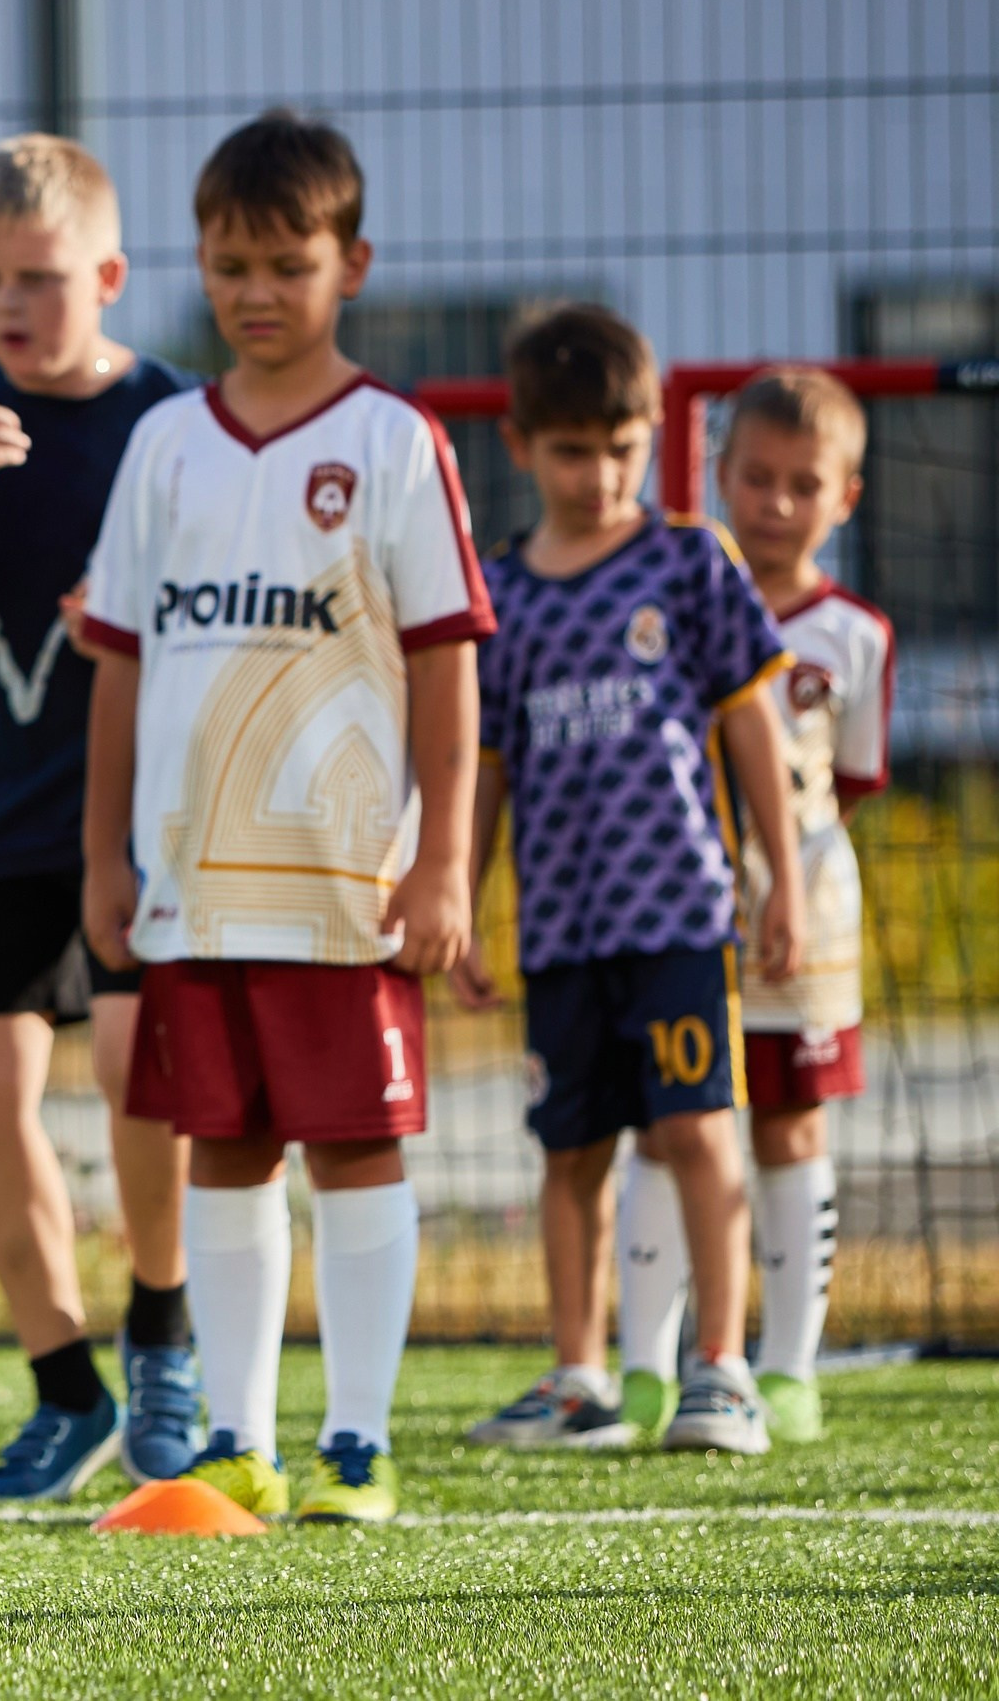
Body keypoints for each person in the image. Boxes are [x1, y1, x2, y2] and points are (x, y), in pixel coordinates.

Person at [79, 109, 492, 1524]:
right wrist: (102, 854)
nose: (255, 291)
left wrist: (443, 858)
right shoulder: (162, 447)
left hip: (345, 883)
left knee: (357, 1145)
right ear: (198, 263)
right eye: (229, 264)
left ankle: (357, 1443)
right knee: (227, 1145)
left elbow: (446, 662)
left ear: (350, 265)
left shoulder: (393, 441)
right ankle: (239, 1440)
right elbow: (118, 662)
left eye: (286, 264)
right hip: (191, 881)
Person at [0, 134, 196, 1501]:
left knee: (139, 1066)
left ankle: (165, 1337)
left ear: (108, 277)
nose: (8, 303)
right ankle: (67, 1388)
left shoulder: (172, 417)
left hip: (143, 825)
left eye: (40, 278)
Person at [457, 305, 803, 1457]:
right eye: (572, 451)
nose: (600, 476)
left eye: (620, 449)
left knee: (698, 1130)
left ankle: (722, 1370)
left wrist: (779, 879)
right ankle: (577, 1377)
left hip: (678, 919)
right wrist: (462, 900)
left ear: (652, 436)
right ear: (520, 446)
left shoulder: (688, 563)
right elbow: (484, 766)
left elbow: (749, 724)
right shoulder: (500, 596)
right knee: (568, 1151)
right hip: (561, 929)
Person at [615, 367, 892, 1445]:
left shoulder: (856, 635)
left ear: (846, 498)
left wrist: (782, 881)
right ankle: (646, 1368)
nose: (776, 503)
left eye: (803, 484)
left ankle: (787, 1370)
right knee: (667, 1122)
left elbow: (850, 780)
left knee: (788, 1121)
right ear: (718, 476)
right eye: (757, 477)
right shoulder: (674, 605)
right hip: (675, 907)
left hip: (806, 917)